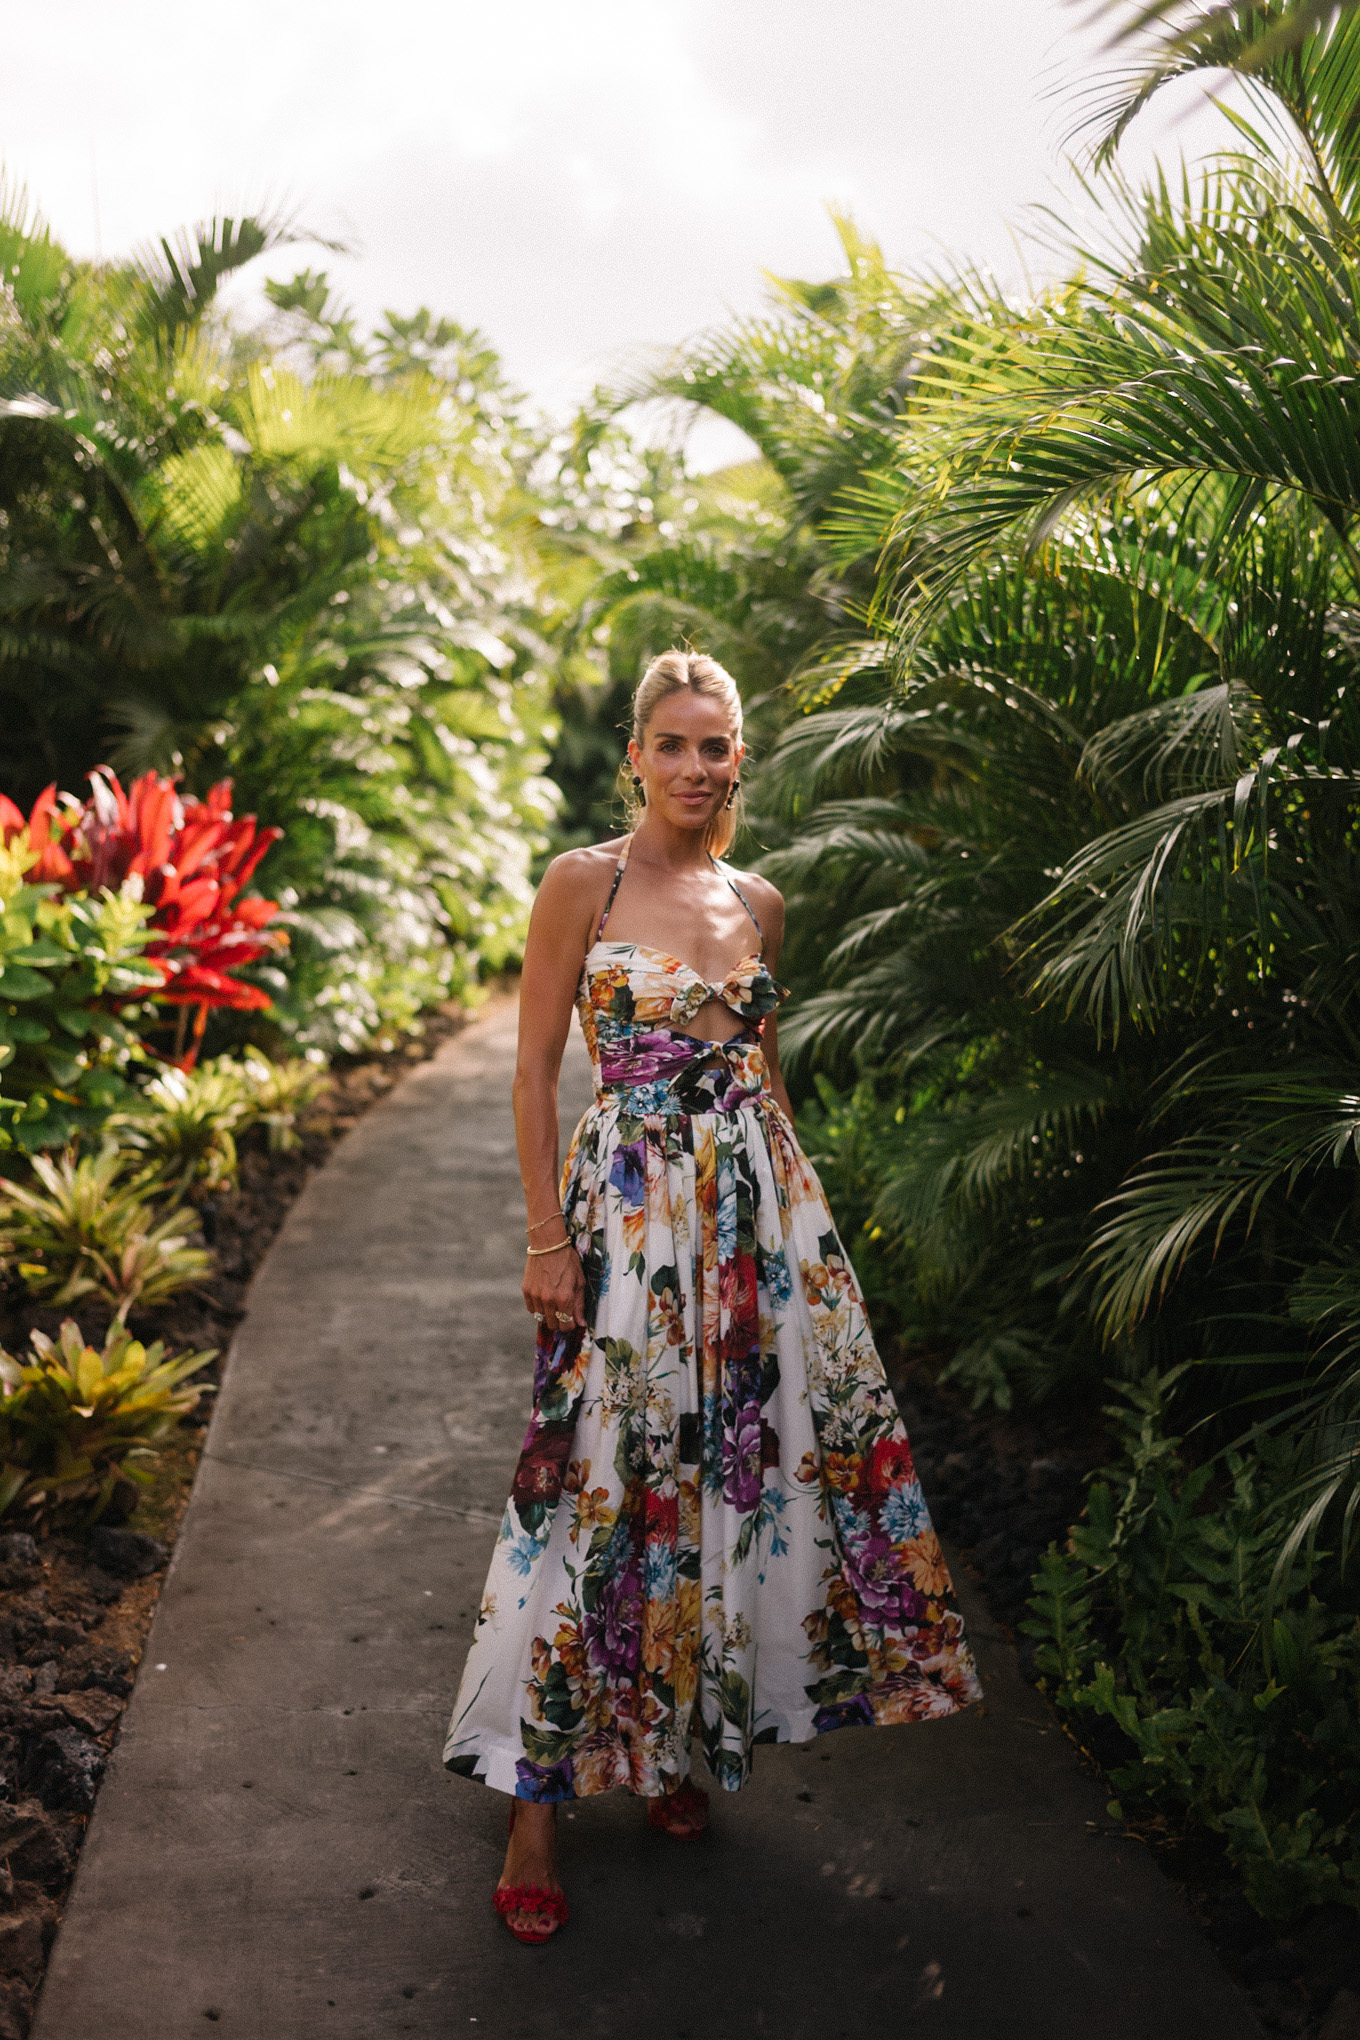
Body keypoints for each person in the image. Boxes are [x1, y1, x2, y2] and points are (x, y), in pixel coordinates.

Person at [443, 649, 981, 1944]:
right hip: (624, 1226)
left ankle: (682, 1743)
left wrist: (813, 1253)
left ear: (741, 757)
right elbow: (530, 1077)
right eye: (672, 744)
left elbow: (767, 1078)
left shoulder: (762, 901)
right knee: (601, 1485)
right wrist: (542, 1238)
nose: (695, 767)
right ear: (635, 754)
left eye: (716, 746)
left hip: (753, 1225)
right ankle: (540, 1796)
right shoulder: (586, 882)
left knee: (729, 1484)